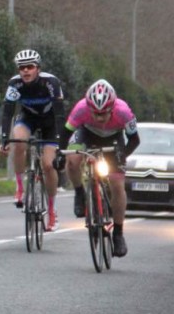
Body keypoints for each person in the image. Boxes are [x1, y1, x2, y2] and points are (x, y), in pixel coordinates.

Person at [59, 79, 138, 257]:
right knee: (72, 160)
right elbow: (65, 133)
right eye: (95, 113)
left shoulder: (123, 111)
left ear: (112, 108)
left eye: (104, 113)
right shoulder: (81, 109)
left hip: (113, 138)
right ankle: (80, 193)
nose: (100, 118)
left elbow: (134, 139)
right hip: (86, 133)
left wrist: (122, 155)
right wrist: (59, 154)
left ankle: (118, 233)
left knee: (117, 185)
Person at [0, 49, 66, 231]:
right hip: (27, 118)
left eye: (30, 67)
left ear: (38, 68)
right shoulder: (14, 84)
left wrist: (61, 142)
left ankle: (51, 211)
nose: (25, 71)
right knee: (18, 140)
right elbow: (7, 113)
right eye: (22, 68)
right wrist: (4, 138)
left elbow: (60, 115)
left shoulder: (51, 82)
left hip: (50, 122)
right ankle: (20, 188)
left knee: (48, 165)